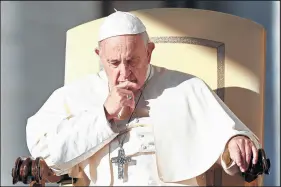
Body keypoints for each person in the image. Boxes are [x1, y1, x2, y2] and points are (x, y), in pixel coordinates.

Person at [26, 10, 261, 186]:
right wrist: (105, 114)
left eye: (132, 60)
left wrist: (235, 142)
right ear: (100, 56)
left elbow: (229, 137)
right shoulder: (74, 95)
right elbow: (50, 156)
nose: (124, 72)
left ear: (149, 51)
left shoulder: (186, 87)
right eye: (114, 63)